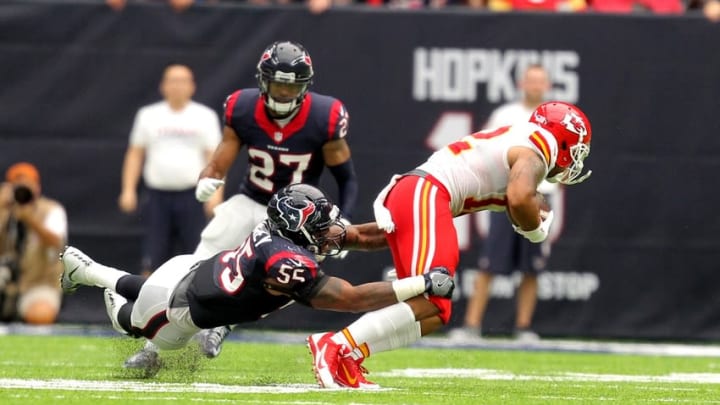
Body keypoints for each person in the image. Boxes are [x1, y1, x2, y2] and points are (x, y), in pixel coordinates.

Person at [307, 101, 593, 389]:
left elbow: (516, 196)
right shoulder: (537, 149)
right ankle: (335, 346)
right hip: (427, 193)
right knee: (434, 295)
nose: (575, 160)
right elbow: (519, 198)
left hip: (420, 194)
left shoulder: (519, 142)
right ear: (564, 140)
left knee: (435, 311)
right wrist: (535, 231)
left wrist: (344, 237)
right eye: (578, 150)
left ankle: (350, 355)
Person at [60, 184, 453, 376]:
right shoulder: (283, 258)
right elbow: (349, 299)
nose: (331, 229)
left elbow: (361, 235)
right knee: (131, 322)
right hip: (179, 309)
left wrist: (427, 222)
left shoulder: (287, 237)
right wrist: (420, 282)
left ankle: (86, 269)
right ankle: (96, 280)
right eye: (320, 222)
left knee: (142, 289)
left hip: (191, 272)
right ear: (299, 227)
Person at [188, 40, 358, 356]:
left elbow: (346, 178)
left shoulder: (324, 116)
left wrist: (344, 220)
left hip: (296, 222)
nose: (283, 93)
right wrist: (209, 176)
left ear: (305, 87)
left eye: (291, 87)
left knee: (279, 285)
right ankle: (156, 340)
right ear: (263, 80)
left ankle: (221, 325)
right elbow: (219, 161)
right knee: (198, 263)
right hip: (251, 200)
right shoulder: (242, 108)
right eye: (278, 85)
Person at [449, 64, 559, 342]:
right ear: (522, 83)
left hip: (539, 197)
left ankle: (523, 327)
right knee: (490, 263)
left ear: (547, 85)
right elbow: (486, 150)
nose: (535, 86)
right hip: (505, 196)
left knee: (531, 268)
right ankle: (472, 325)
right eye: (531, 80)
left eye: (540, 81)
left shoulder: (556, 118)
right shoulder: (505, 115)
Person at [118, 63, 222, 275]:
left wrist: (216, 195)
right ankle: (147, 305)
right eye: (172, 81)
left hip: (194, 197)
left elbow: (215, 160)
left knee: (197, 257)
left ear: (192, 86)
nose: (177, 86)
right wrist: (128, 190)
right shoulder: (148, 115)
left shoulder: (205, 116)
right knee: (152, 256)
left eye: (182, 81)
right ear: (163, 86)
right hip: (157, 198)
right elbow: (135, 154)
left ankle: (194, 305)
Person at [0, 162, 67, 325]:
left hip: (39, 283)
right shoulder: (4, 211)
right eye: (17, 187)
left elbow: (56, 243)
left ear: (37, 187)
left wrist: (30, 220)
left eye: (27, 185)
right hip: (5, 280)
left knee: (41, 315)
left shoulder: (51, 210)